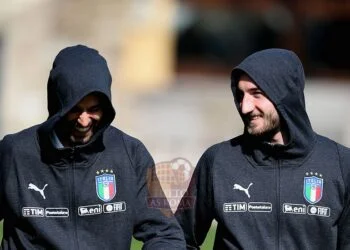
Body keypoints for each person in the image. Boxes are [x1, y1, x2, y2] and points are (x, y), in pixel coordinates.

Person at [0, 45, 185, 249]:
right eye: (74, 109)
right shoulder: (14, 153)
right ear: (57, 106)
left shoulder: (131, 154)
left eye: (94, 109)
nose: (84, 120)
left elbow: (165, 234)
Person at [175, 48, 350, 249]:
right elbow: (178, 238)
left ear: (285, 95)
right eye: (241, 95)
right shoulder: (218, 161)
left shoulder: (340, 164)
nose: (245, 107)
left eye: (256, 94)